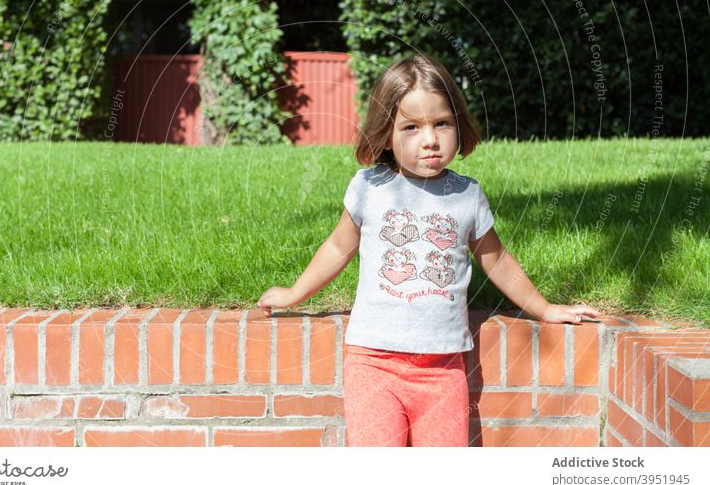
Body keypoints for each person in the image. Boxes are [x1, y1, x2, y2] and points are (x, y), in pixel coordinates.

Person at [257, 53, 601, 447]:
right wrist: (293, 294)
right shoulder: (369, 188)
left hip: (443, 370)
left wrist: (545, 309)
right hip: (373, 363)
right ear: (386, 133)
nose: (430, 139)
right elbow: (338, 247)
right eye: (411, 127)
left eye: (442, 123)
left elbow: (498, 261)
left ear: (458, 124)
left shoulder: (466, 196)